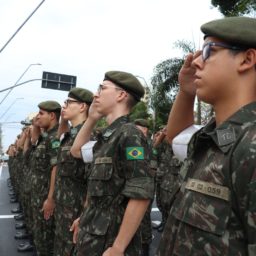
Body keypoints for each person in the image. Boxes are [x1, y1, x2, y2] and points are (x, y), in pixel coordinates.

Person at [156, 16, 256, 255]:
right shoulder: (218, 137)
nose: (195, 63)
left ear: (247, 59)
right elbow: (176, 137)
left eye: (209, 51)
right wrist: (186, 92)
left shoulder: (250, 144)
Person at [70, 71, 155, 256]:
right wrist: (92, 118)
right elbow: (76, 151)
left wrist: (118, 247)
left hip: (110, 240)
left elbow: (141, 192)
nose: (96, 94)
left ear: (121, 95)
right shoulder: (108, 136)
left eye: (102, 88)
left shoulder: (129, 134)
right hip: (93, 232)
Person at [53, 87, 93, 256]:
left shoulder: (89, 136)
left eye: (68, 102)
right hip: (63, 206)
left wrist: (85, 215)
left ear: (83, 106)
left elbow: (93, 181)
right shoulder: (69, 136)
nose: (64, 106)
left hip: (77, 210)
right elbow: (58, 140)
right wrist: (63, 120)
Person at [30, 100, 61, 256]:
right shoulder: (45, 136)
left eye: (41, 113)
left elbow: (56, 167)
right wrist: (36, 125)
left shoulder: (55, 137)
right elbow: (33, 141)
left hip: (45, 196)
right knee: (40, 235)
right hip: (38, 194)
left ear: (52, 115)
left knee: (46, 238)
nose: (38, 117)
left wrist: (50, 198)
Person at [134, 118, 156, 256]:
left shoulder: (146, 142)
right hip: (138, 184)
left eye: (138, 129)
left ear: (145, 130)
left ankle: (144, 248)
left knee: (143, 218)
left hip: (143, 185)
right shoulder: (141, 141)